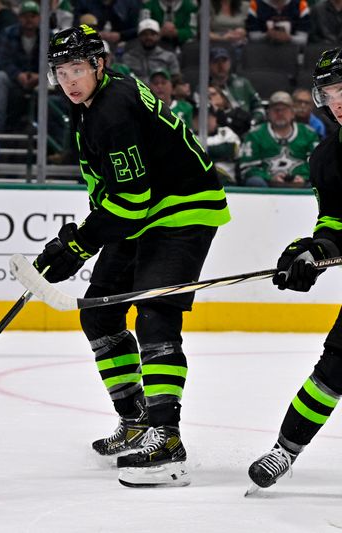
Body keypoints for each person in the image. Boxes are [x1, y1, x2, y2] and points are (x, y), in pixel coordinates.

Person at [36, 25, 230, 487]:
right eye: (61, 72)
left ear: (98, 65)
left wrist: (80, 245)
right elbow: (114, 192)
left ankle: (166, 437)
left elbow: (131, 198)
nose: (69, 80)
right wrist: (76, 239)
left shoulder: (112, 110)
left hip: (183, 209)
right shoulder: (92, 106)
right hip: (146, 211)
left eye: (77, 69)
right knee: (100, 313)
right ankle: (137, 421)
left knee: (156, 311)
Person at [247, 48, 342, 492]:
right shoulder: (327, 156)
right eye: (330, 92)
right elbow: (336, 222)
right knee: (334, 369)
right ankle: (284, 451)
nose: (338, 101)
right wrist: (313, 252)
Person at [239, 91, 319, 188]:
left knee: (316, 183)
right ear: (268, 113)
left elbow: (317, 164)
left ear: (293, 113)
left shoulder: (308, 133)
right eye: (276, 110)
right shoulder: (255, 135)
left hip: (301, 185)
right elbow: (247, 168)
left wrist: (304, 177)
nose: (280, 113)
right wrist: (269, 178)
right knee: (255, 182)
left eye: (284, 109)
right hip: (267, 186)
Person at [0, 0, 43, 132]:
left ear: (39, 18)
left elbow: (56, 64)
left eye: (33, 16)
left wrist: (39, 76)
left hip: (40, 80)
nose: (29, 20)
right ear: (19, 18)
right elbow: (2, 60)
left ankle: (46, 131)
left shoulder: (49, 36)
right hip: (14, 78)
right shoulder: (8, 33)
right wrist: (18, 75)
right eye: (25, 16)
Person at [207, 46, 265, 128]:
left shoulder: (243, 83)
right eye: (216, 61)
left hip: (247, 127)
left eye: (224, 61)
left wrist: (253, 121)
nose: (220, 65)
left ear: (230, 63)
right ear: (209, 65)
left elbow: (258, 107)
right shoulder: (204, 88)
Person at [120, 18, 180, 83]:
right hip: (135, 91)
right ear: (139, 36)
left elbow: (175, 78)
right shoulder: (128, 57)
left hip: (160, 91)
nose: (148, 37)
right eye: (144, 34)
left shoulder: (169, 57)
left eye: (153, 34)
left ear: (158, 36)